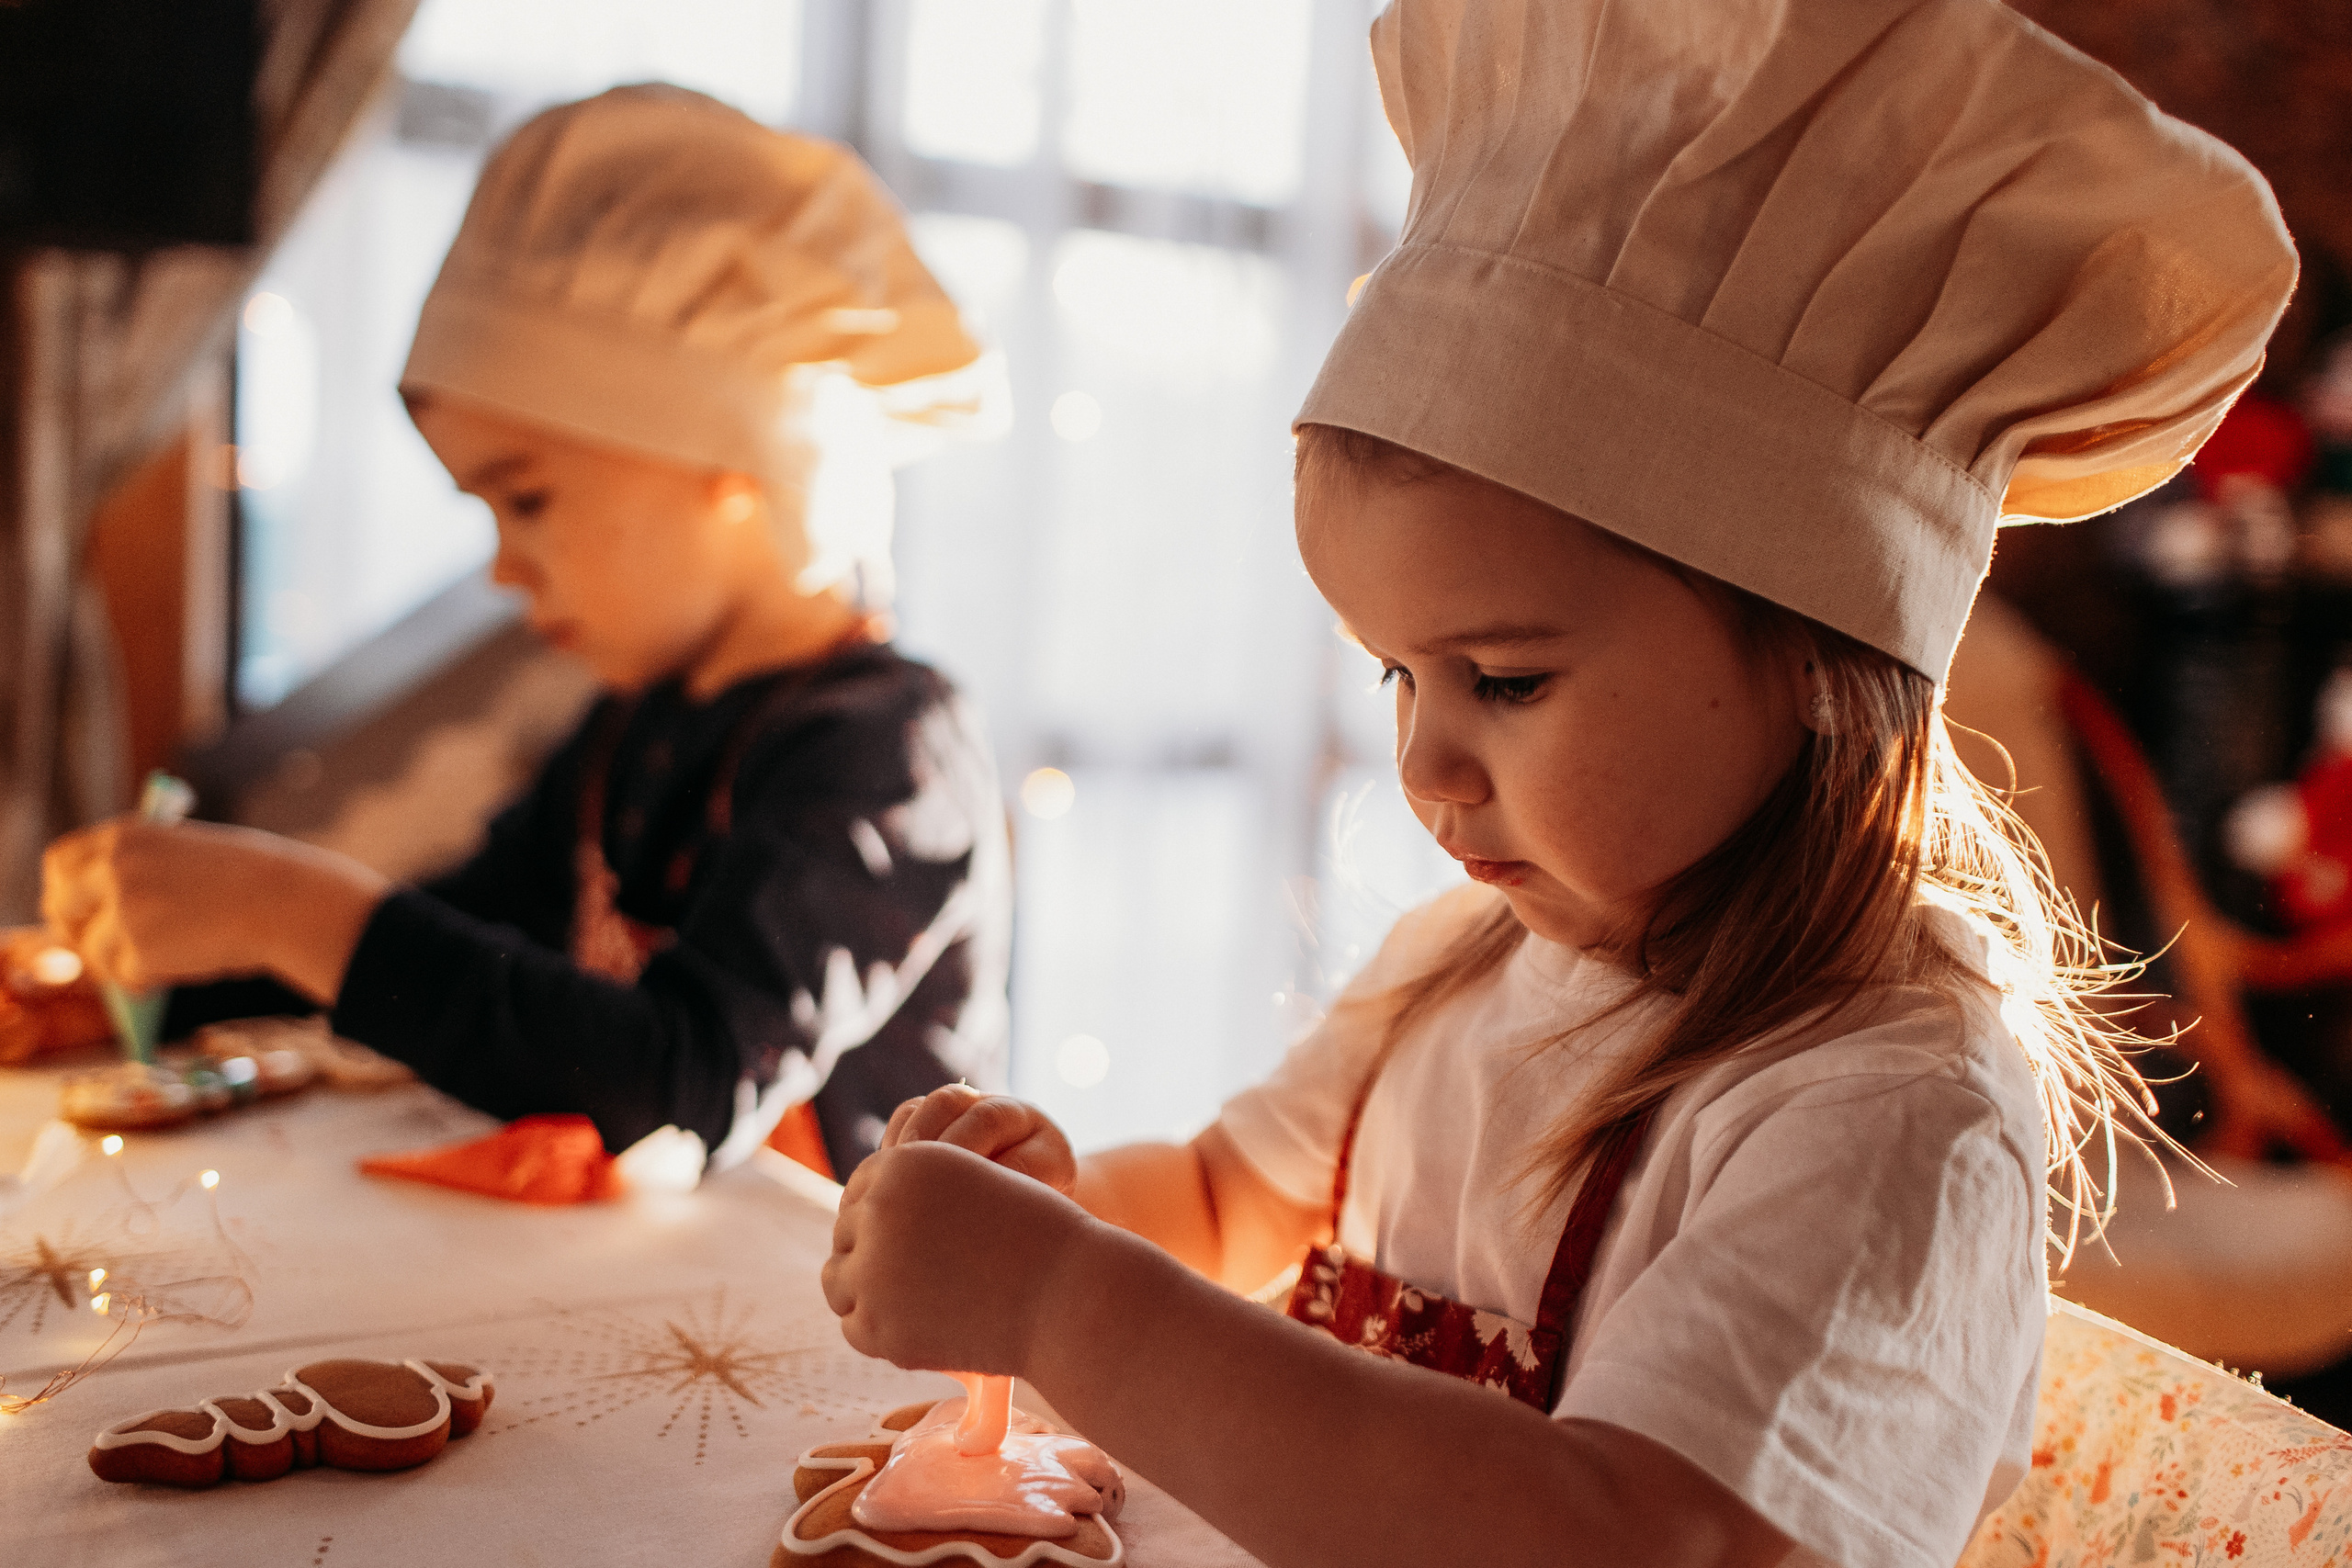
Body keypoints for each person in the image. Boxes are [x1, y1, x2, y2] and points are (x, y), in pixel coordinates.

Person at [816, 2, 2298, 1565]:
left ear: (1813, 659)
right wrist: (1054, 1213)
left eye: (1504, 680)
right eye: (1398, 673)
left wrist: (1063, 1300)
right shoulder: (1465, 968)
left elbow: (1631, 1531)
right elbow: (1220, 1193)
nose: (1425, 761)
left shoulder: (1884, 1118)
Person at [41, 86, 1011, 1180]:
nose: (504, 568)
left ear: (730, 461)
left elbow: (681, 1083)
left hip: (855, 1336)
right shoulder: (632, 727)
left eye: (528, 500)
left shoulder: (885, 751)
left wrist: (286, 909)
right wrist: (170, 964)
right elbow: (466, 958)